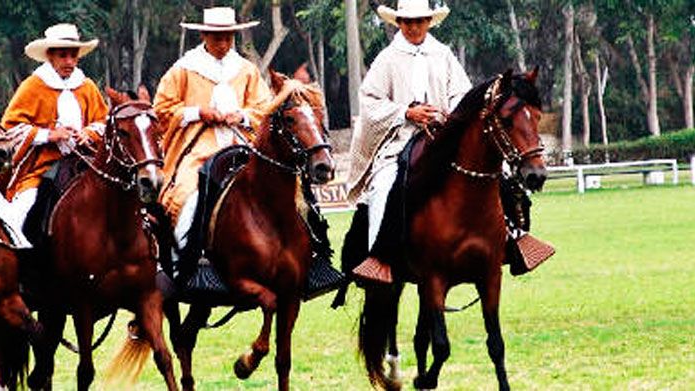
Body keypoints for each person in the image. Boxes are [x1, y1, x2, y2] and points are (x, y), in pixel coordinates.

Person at [346, 0, 552, 284]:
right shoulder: (387, 59)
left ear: (429, 21)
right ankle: (381, 258)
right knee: (383, 186)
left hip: (445, 139)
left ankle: (515, 237)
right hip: (400, 141)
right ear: (399, 23)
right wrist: (406, 112)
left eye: (420, 21)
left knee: (501, 176)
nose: (414, 27)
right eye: (408, 22)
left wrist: (451, 115)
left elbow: (462, 95)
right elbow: (369, 102)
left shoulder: (443, 55)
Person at [154, 7, 340, 295]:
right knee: (188, 197)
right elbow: (162, 110)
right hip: (198, 151)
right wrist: (199, 112)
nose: (224, 42)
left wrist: (240, 116)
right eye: (217, 36)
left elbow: (264, 109)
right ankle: (188, 263)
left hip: (244, 148)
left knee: (297, 191)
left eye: (228, 36)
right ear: (203, 34)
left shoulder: (247, 70)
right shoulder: (182, 70)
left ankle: (313, 255)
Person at [0, 23, 108, 249]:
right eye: (62, 55)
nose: (69, 62)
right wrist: (49, 135)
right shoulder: (33, 86)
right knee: (23, 208)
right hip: (42, 164)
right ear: (50, 56)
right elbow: (10, 127)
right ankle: (18, 254)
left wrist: (88, 133)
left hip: (85, 160)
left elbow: (104, 121)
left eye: (73, 55)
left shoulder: (87, 86)